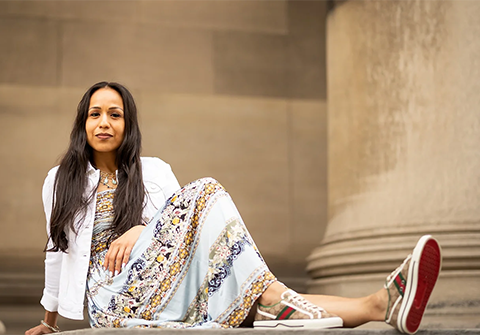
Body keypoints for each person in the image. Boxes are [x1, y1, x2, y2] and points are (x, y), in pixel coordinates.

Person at [26, 82, 442, 335]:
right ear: (83, 123)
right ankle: (281, 296)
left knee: (252, 302)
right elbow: (56, 252)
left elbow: (182, 224)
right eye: (95, 114)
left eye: (114, 114)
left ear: (127, 124)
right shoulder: (60, 180)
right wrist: (51, 321)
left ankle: (381, 304)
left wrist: (139, 230)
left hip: (171, 286)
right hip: (112, 298)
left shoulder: (152, 172)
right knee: (206, 190)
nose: (104, 122)